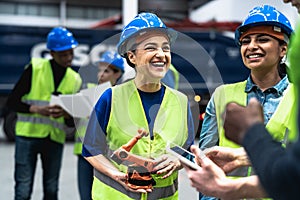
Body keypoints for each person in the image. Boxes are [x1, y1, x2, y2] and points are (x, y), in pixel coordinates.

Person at [82, 12, 195, 200]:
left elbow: (189, 149)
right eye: (151, 48)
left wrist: (177, 161)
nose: (161, 54)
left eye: (165, 48)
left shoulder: (181, 102)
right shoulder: (111, 97)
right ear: (132, 56)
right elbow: (91, 149)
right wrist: (118, 176)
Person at [197, 4, 294, 199]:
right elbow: (205, 162)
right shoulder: (222, 95)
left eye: (263, 39)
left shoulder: (296, 97)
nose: (251, 46)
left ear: (283, 49)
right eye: (245, 41)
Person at [7, 27, 82, 199]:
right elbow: (13, 102)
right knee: (23, 189)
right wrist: (37, 109)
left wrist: (66, 114)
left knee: (51, 189)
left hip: (54, 139)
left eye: (71, 53)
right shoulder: (35, 68)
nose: (69, 58)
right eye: (64, 54)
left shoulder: (74, 78)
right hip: (27, 136)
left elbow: (72, 122)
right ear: (52, 53)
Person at [73, 50, 124, 200]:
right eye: (100, 69)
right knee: (85, 196)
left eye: (106, 70)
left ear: (117, 73)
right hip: (84, 151)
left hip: (107, 155)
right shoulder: (87, 90)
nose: (100, 74)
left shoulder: (122, 96)